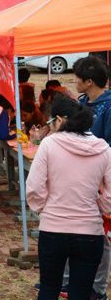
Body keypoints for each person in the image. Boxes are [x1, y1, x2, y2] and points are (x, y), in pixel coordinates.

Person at [27, 97, 111, 300]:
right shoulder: (103, 149)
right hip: (89, 230)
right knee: (81, 293)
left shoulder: (49, 144)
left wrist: (43, 208)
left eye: (50, 122)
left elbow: (34, 186)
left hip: (53, 228)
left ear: (59, 120)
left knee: (49, 289)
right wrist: (99, 206)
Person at [71, 55, 111, 299]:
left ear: (89, 81)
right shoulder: (82, 103)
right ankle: (76, 282)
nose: (74, 81)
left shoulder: (108, 107)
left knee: (101, 235)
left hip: (101, 182)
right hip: (79, 179)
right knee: (78, 231)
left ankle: (98, 288)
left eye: (77, 78)